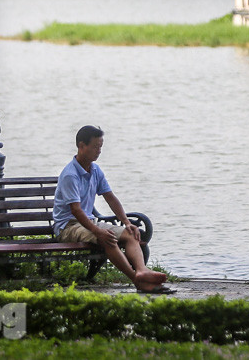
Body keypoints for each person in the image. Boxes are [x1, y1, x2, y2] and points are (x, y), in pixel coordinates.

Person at [52, 125, 170, 293]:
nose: (98, 151)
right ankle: (136, 279)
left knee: (130, 233)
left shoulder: (95, 169)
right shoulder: (70, 174)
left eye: (100, 147)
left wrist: (127, 222)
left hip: (87, 222)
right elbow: (76, 211)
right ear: (81, 146)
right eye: (95, 147)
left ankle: (142, 271)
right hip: (68, 226)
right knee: (107, 237)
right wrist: (97, 231)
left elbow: (110, 198)